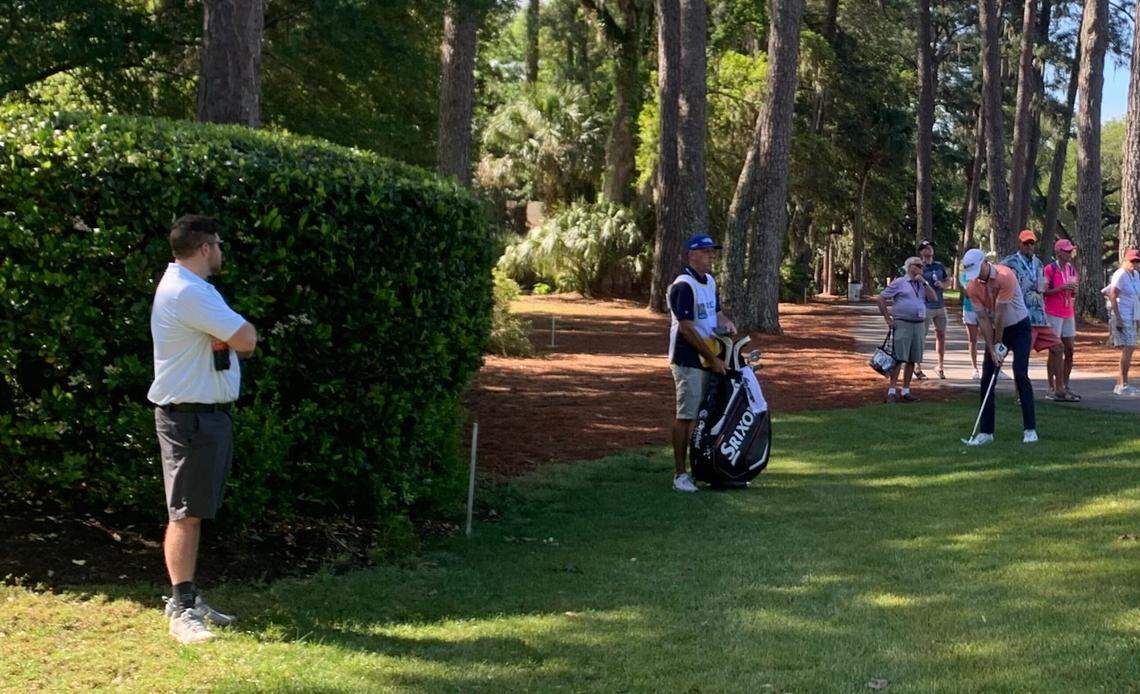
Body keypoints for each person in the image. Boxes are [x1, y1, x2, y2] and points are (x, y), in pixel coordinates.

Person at [148, 215, 258, 643]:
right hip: (190, 418)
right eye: (219, 243)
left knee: (193, 512)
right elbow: (246, 338)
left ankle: (190, 599)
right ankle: (181, 609)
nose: (222, 250)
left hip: (201, 416)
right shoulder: (190, 291)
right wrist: (238, 338)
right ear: (205, 248)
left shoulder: (185, 288)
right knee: (186, 514)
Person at [667, 233, 736, 493]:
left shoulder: (709, 282)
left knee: (703, 416)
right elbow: (686, 328)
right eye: (705, 252)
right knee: (686, 415)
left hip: (709, 358)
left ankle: (703, 468)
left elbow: (714, 314)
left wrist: (726, 323)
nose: (710, 257)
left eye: (712, 252)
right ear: (692, 255)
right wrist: (712, 358)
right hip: (688, 359)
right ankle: (679, 474)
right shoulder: (683, 285)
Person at [960, 248, 1038, 445]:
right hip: (996, 332)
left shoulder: (1005, 276)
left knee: (1020, 373)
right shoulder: (972, 287)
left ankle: (1030, 429)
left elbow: (1001, 313)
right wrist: (991, 347)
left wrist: (999, 344)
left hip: (1019, 327)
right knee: (987, 379)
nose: (976, 276)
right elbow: (984, 319)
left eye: (978, 270)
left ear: (986, 263)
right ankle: (986, 432)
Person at [1000, 230, 1064, 400]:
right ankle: (1019, 393)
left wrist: (1042, 287)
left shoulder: (1039, 263)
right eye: (1026, 243)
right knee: (1022, 356)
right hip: (1022, 316)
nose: (1029, 246)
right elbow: (998, 281)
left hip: (1039, 316)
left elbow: (1043, 284)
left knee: (1058, 347)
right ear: (1019, 244)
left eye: (1032, 243)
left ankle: (1058, 389)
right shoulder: (1009, 262)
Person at [876, 256, 936, 402]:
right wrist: (887, 318)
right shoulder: (900, 283)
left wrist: (925, 283)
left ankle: (906, 390)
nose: (922, 269)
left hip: (919, 324)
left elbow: (934, 298)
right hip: (902, 323)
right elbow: (881, 298)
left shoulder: (922, 284)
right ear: (911, 267)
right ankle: (891, 390)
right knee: (899, 358)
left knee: (912, 359)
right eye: (919, 266)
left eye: (922, 266)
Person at [1043, 239, 1080, 401]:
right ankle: (1052, 387)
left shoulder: (1072, 270)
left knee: (1069, 350)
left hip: (1068, 312)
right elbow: (1043, 291)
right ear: (1058, 252)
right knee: (1054, 350)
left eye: (1070, 250)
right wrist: (1060, 288)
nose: (1069, 253)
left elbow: (1073, 291)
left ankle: (1065, 385)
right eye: (1066, 251)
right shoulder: (1049, 269)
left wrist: (1073, 291)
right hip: (1053, 312)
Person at [1107, 248, 1140, 396]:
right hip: (1123, 314)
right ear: (1126, 260)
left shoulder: (1136, 275)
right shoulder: (1120, 274)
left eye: (1137, 261)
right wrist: (1118, 317)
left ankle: (1121, 383)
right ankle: (1122, 384)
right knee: (1129, 347)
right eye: (1132, 261)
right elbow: (1113, 295)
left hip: (1133, 315)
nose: (1135, 263)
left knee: (1130, 348)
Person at [915, 240, 949, 379]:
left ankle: (940, 366)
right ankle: (917, 366)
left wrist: (943, 284)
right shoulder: (918, 266)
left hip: (940, 306)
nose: (928, 250)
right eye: (924, 248)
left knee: (941, 336)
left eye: (930, 247)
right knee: (921, 337)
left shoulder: (939, 266)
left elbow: (948, 281)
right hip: (925, 306)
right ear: (921, 252)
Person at [960, 269, 981, 379]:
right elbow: (968, 292)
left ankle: (995, 365)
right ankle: (975, 368)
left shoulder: (984, 272)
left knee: (990, 339)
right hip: (970, 309)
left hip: (984, 309)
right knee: (973, 340)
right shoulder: (964, 275)